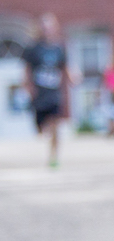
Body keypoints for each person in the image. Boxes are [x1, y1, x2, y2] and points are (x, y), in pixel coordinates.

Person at [22, 13, 75, 168]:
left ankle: (53, 157)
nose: (47, 30)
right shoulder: (33, 48)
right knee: (40, 128)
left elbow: (66, 66)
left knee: (55, 125)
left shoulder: (59, 48)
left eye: (50, 26)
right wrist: (26, 87)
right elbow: (26, 70)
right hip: (39, 94)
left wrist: (72, 77)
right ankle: (42, 138)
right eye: (45, 27)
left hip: (54, 93)